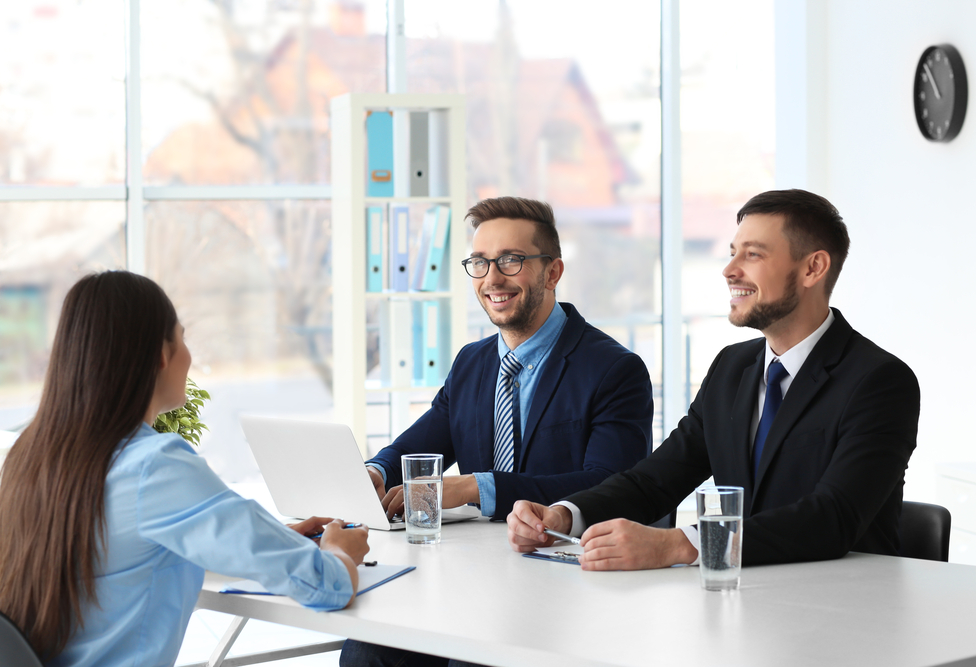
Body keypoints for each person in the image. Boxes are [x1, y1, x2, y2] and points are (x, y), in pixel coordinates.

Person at [508, 188, 921, 570]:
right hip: (738, 601)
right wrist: (564, 514)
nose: (729, 269)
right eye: (732, 253)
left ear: (814, 267)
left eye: (753, 255)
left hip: (843, 613)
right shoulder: (732, 368)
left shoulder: (880, 381)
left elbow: (833, 517)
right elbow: (655, 480)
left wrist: (678, 544)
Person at [0, 271, 370, 667]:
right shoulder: (153, 466)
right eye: (182, 336)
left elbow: (121, 553)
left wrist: (271, 541)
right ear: (161, 353)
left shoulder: (29, 456)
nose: (189, 354)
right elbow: (328, 587)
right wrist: (337, 551)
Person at [342, 198, 653, 666]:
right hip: (474, 575)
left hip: (564, 584)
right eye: (480, 263)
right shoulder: (472, 362)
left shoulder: (613, 369)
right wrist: (377, 471)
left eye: (511, 260)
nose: (491, 278)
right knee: (369, 650)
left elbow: (610, 483)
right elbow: (422, 440)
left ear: (552, 272)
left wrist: (475, 486)